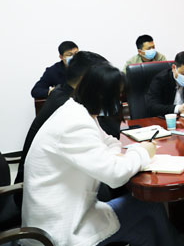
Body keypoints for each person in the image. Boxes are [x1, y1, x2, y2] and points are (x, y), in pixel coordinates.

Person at [22, 63, 184, 246]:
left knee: (144, 229)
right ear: (101, 95)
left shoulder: (76, 110)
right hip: (61, 229)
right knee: (150, 205)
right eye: (117, 96)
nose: (119, 103)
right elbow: (114, 176)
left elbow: (109, 141)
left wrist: (115, 157)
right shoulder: (74, 124)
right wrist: (142, 152)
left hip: (69, 211)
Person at [17, 51, 118, 198]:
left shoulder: (63, 93)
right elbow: (106, 164)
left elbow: (103, 138)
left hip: (52, 184)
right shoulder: (68, 107)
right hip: (45, 195)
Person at [145, 51, 184, 117]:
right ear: (174, 68)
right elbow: (152, 107)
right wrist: (178, 109)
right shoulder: (161, 80)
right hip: (164, 119)